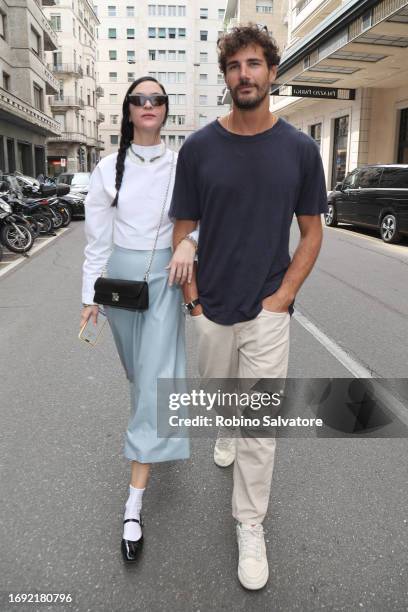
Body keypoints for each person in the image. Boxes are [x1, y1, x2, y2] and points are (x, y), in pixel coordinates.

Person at [170, 25, 328, 590]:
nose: (245, 74)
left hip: (267, 309)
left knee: (260, 426)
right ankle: (226, 430)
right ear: (225, 76)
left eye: (255, 64)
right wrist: (192, 305)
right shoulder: (198, 148)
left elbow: (311, 233)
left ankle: (250, 524)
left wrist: (283, 298)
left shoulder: (300, 150)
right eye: (235, 65)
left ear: (272, 72)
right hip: (210, 306)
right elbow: (183, 230)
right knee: (222, 399)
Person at [80, 76, 198, 564]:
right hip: (122, 284)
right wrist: (89, 296)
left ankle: (133, 504)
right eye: (139, 100)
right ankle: (151, 433)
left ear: (166, 110)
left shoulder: (183, 165)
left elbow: (200, 217)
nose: (148, 105)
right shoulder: (110, 168)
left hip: (166, 280)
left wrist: (190, 242)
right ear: (128, 111)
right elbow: (97, 240)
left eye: (157, 99)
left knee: (153, 380)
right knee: (137, 373)